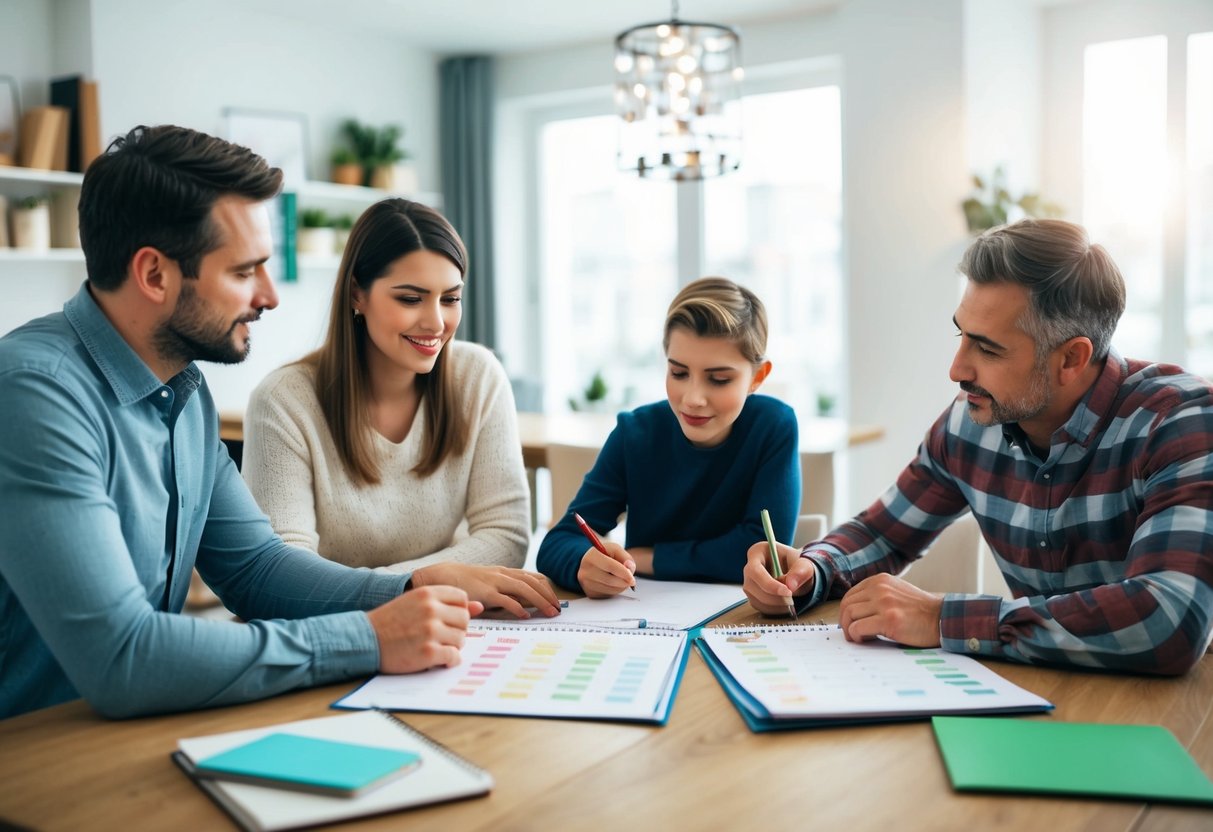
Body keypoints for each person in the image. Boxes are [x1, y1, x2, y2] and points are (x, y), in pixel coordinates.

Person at [0, 125, 481, 720]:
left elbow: (256, 568)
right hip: (31, 763)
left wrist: (411, 590)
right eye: (244, 271)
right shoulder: (36, 394)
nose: (271, 296)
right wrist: (368, 639)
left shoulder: (183, 389)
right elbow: (121, 657)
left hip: (120, 740)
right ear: (154, 275)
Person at [744, 218, 1213, 676]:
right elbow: (884, 533)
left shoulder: (1179, 421)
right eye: (960, 334)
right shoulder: (971, 423)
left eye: (987, 349)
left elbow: (1168, 619)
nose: (956, 368)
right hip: (1040, 697)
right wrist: (811, 569)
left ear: (1072, 357)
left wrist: (941, 618)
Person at [242, 199, 556, 619]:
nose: (436, 322)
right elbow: (287, 577)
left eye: (450, 298)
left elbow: (506, 536)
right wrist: (425, 582)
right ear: (358, 293)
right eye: (411, 299)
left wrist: (401, 587)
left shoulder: (477, 377)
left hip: (444, 625)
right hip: (334, 636)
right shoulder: (284, 401)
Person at [537, 277, 801, 597]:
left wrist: (654, 558)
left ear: (757, 377)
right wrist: (582, 562)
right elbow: (558, 542)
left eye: (718, 379)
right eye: (679, 373)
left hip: (742, 617)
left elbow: (760, 554)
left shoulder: (773, 426)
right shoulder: (635, 433)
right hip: (646, 618)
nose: (693, 398)